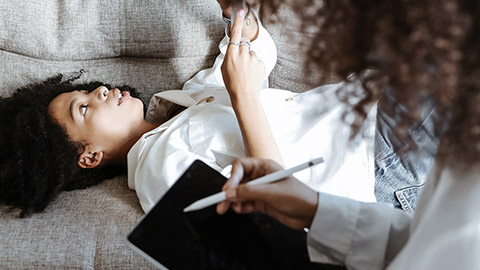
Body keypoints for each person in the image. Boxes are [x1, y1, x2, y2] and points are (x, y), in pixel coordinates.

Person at [0, 1, 377, 216]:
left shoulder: (179, 103)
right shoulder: (158, 176)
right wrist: (243, 96)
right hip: (371, 159)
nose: (98, 90)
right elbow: (273, 211)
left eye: (86, 90)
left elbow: (258, 58)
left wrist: (238, 20)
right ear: (90, 156)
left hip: (363, 101)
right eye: (82, 108)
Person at [217, 0, 480, 269]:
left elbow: (252, 60)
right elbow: (421, 245)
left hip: (357, 124)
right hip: (367, 159)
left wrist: (245, 94)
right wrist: (314, 209)